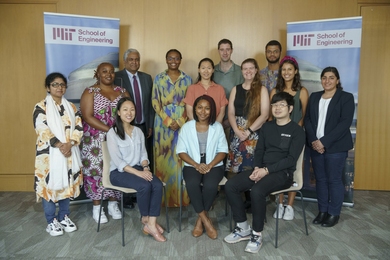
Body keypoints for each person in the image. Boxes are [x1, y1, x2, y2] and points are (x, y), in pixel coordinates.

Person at [224, 92, 305, 254]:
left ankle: (256, 234)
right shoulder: (267, 127)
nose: (277, 108)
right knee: (231, 185)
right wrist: (256, 168)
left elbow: (291, 160)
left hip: (283, 174)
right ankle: (243, 227)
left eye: (281, 105)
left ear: (290, 108)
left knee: (257, 191)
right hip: (261, 169)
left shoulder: (297, 131)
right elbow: (259, 151)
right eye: (274, 105)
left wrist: (266, 171)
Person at [107, 97, 166, 242]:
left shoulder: (138, 131)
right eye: (125, 109)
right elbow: (118, 162)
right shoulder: (112, 133)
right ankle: (146, 218)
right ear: (119, 113)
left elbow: (143, 154)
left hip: (138, 168)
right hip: (118, 173)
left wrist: (145, 168)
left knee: (157, 185)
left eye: (132, 109)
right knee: (144, 185)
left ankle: (150, 223)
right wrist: (140, 173)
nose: (129, 113)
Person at [33, 72, 83, 236]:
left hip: (69, 153)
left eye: (62, 85)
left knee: (66, 185)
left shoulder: (71, 107)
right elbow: (41, 128)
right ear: (48, 87)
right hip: (49, 156)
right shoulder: (41, 107)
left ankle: (63, 216)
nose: (59, 87)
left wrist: (71, 144)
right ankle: (51, 221)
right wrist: (61, 145)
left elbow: (79, 128)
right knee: (50, 186)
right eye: (55, 84)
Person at [80, 62, 130, 223]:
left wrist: (120, 132)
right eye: (104, 71)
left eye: (111, 72)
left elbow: (129, 112)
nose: (109, 74)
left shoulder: (122, 92)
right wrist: (110, 130)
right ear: (97, 74)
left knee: (116, 168)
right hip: (95, 140)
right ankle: (97, 206)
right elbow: (87, 116)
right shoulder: (90, 92)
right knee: (96, 171)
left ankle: (113, 204)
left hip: (118, 138)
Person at [304, 67, 354, 228]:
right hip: (315, 146)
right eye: (324, 77)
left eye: (331, 77)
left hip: (336, 147)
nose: (327, 81)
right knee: (320, 180)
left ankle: (333, 213)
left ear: (337, 80)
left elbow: (344, 123)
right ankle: (323, 211)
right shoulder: (315, 96)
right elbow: (308, 120)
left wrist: (323, 142)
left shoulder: (346, 97)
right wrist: (314, 141)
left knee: (333, 180)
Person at [176, 95, 228, 239]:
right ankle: (206, 220)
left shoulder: (217, 127)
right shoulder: (187, 127)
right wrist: (196, 165)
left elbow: (223, 150)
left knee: (210, 185)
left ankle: (199, 221)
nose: (203, 111)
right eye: (199, 107)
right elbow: (181, 151)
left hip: (214, 163)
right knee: (192, 184)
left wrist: (210, 165)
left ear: (212, 110)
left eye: (207, 108)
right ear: (195, 109)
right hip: (192, 163)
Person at [269, 56, 309, 221]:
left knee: (294, 168)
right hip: (278, 138)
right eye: (283, 69)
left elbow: (304, 116)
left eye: (289, 69)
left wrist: (295, 131)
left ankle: (290, 205)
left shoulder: (302, 91)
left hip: (296, 136)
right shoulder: (275, 91)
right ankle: (280, 203)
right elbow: (272, 117)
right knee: (278, 167)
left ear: (295, 71)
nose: (286, 72)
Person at [152, 49, 192, 207]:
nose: (173, 61)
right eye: (170, 58)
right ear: (166, 60)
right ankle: (162, 200)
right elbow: (155, 101)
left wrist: (181, 120)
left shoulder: (187, 79)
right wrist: (168, 120)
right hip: (162, 124)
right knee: (162, 160)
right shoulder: (159, 78)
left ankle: (180, 199)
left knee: (180, 158)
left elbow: (190, 101)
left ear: (180, 60)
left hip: (183, 121)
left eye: (176, 58)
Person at [115, 48, 155, 209]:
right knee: (126, 158)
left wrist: (150, 124)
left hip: (143, 125)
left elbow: (150, 104)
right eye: (131, 59)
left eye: (137, 59)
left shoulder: (146, 78)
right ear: (125, 61)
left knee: (141, 158)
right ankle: (126, 197)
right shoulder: (117, 77)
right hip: (124, 125)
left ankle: (141, 191)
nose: (134, 62)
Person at [226, 58, 269, 174]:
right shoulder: (236, 89)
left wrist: (249, 131)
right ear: (242, 71)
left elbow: (265, 115)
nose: (248, 71)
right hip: (237, 133)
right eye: (245, 69)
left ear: (256, 70)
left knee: (251, 169)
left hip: (254, 132)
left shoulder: (262, 90)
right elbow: (230, 112)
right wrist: (236, 130)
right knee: (236, 171)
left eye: (251, 68)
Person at [183, 58, 228, 124]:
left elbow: (222, 113)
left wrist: (214, 128)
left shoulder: (220, 89)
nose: (206, 71)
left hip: (215, 129)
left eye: (209, 68)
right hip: (195, 128)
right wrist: (200, 127)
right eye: (203, 68)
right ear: (199, 70)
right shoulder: (191, 88)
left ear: (213, 70)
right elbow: (189, 113)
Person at [213, 39, 244, 129]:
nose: (225, 53)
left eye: (228, 49)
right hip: (214, 121)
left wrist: (230, 120)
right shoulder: (211, 71)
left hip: (235, 122)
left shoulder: (241, 71)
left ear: (232, 50)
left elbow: (245, 97)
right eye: (222, 50)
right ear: (218, 51)